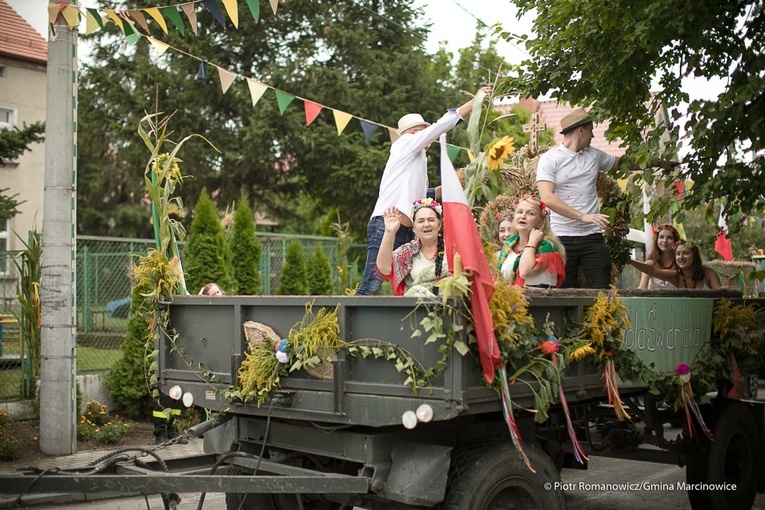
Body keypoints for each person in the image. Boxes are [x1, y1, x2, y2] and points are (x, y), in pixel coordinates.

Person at [356, 87, 492, 295]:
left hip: (404, 229)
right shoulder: (405, 144)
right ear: (410, 134)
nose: (425, 136)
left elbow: (421, 198)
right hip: (386, 226)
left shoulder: (418, 159)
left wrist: (463, 181)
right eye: (419, 131)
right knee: (372, 284)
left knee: (400, 283)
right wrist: (474, 103)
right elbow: (440, 126)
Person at [536, 107, 678, 288]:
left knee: (603, 292)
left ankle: (601, 317)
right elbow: (547, 197)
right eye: (590, 130)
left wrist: (658, 162)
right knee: (564, 293)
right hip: (561, 236)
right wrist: (583, 216)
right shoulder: (550, 159)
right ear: (580, 130)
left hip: (592, 236)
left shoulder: (594, 155)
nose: (593, 135)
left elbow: (624, 163)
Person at [376, 198, 447, 297]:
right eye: (421, 221)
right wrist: (389, 232)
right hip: (414, 307)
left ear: (439, 224)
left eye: (431, 220)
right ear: (414, 227)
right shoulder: (407, 251)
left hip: (447, 307)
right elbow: (384, 268)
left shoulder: (453, 248)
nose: (426, 224)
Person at [497, 194, 566, 288]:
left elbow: (524, 271)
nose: (523, 216)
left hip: (538, 301)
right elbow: (499, 278)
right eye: (519, 212)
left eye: (530, 213)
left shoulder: (547, 246)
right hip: (510, 300)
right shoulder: (509, 244)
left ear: (539, 223)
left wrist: (532, 243)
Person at [630, 240, 722, 289]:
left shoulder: (708, 272)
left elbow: (721, 296)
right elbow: (652, 271)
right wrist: (630, 261)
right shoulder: (675, 276)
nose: (681, 257)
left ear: (695, 256)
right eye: (678, 254)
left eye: (686, 253)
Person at [637, 225, 681, 289]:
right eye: (661, 237)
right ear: (656, 240)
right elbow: (642, 288)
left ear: (675, 242)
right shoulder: (650, 264)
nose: (665, 240)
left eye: (669, 238)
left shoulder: (680, 263)